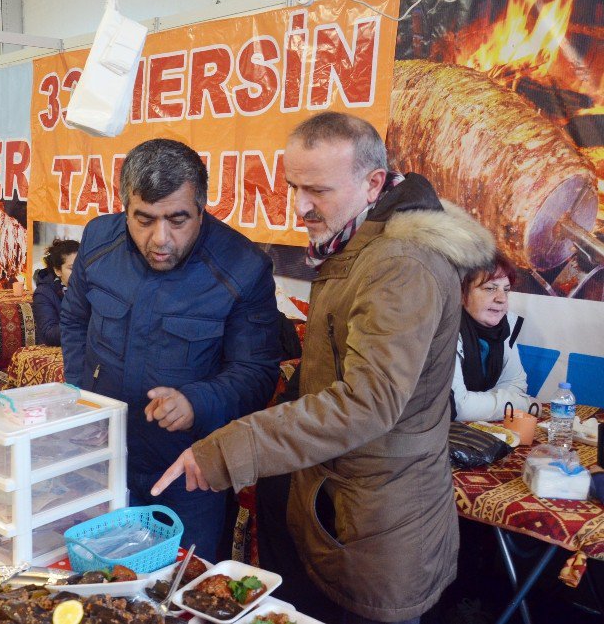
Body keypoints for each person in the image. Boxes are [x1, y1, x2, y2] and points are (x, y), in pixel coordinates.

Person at [152, 112, 495, 624]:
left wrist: (232, 448)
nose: (299, 206)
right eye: (293, 186)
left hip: (379, 526)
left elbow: (366, 401)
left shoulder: (399, 264)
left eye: (317, 190)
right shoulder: (356, 245)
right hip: (344, 507)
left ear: (373, 182)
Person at [60, 138, 282, 562]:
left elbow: (256, 371)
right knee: (93, 577)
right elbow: (74, 321)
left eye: (178, 219)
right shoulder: (97, 240)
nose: (160, 238)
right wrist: (79, 396)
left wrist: (196, 401)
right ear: (125, 206)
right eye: (143, 220)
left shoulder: (243, 266)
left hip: (187, 473)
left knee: (177, 591)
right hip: (103, 456)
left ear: (202, 207)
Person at [453, 251, 534, 421]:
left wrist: (481, 406)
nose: (502, 299)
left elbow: (516, 384)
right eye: (490, 289)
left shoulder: (506, 326)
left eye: (506, 290)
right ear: (461, 293)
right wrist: (523, 404)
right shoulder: (445, 331)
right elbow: (458, 406)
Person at [32, 238, 79, 346]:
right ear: (58, 271)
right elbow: (49, 333)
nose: (78, 273)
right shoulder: (44, 293)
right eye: (72, 268)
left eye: (81, 267)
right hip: (58, 350)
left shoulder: (93, 287)